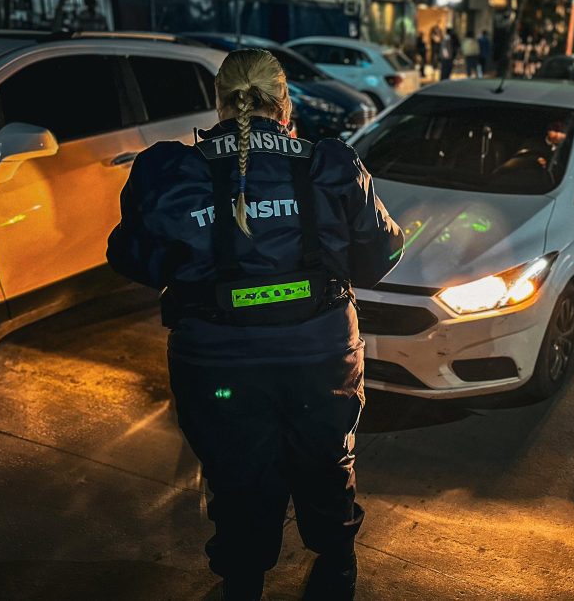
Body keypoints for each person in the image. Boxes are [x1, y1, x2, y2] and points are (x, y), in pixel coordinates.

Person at [106, 49, 404, 601]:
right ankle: (337, 569)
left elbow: (132, 259)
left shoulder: (169, 171)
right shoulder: (329, 163)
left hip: (217, 366)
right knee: (325, 459)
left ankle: (242, 582)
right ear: (284, 103)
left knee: (236, 471)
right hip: (321, 357)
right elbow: (384, 252)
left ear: (219, 104)